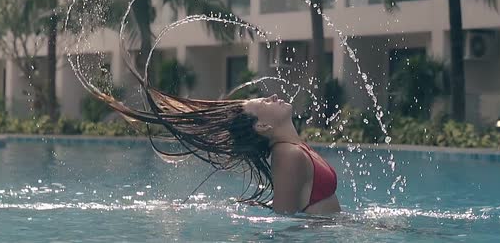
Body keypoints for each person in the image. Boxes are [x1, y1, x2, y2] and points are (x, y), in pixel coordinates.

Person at [85, 77, 340, 215]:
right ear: (262, 126)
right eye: (263, 102)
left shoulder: (296, 148)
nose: (272, 97)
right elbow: (286, 223)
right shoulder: (287, 154)